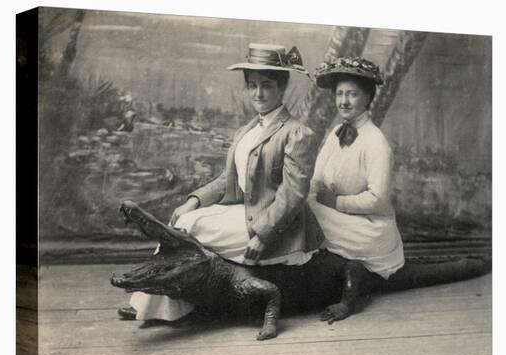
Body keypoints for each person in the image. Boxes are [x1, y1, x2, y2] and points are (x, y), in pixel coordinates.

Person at [118, 43, 324, 323]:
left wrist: (263, 235)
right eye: (252, 86)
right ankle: (154, 305)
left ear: (281, 88)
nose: (258, 94)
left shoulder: (296, 133)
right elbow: (228, 179)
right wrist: (193, 200)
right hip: (246, 211)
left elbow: (293, 194)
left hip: (279, 225)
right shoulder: (248, 130)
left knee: (188, 227)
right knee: (183, 220)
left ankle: (157, 307)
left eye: (266, 86)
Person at [308, 56, 405, 323]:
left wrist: (335, 202)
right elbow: (315, 180)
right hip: (339, 219)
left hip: (370, 228)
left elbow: (377, 199)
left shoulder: (375, 143)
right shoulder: (337, 132)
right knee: (300, 210)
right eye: (339, 94)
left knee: (306, 220)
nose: (344, 101)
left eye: (352, 94)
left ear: (367, 97)